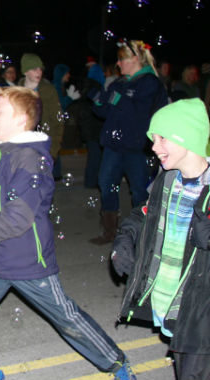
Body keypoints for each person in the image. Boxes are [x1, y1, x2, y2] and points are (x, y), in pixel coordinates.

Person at [0, 86, 137, 380]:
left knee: (66, 317)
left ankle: (116, 364)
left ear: (20, 119)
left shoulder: (31, 159)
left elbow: (18, 216)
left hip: (27, 259)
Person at [112, 98, 210, 380]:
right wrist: (125, 238)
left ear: (187, 137)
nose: (154, 147)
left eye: (162, 138)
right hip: (173, 305)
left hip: (201, 314)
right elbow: (144, 213)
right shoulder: (166, 179)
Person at [89, 40, 168, 245]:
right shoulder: (119, 83)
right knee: (107, 184)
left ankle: (141, 232)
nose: (118, 63)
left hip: (138, 146)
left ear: (134, 59)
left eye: (122, 59)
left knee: (140, 190)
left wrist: (119, 99)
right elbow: (103, 110)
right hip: (114, 145)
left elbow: (140, 113)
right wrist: (97, 99)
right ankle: (110, 231)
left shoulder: (150, 83)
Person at [18, 53, 63, 180]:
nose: (39, 72)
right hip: (21, 147)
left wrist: (53, 151)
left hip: (42, 146)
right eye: (34, 69)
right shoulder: (16, 91)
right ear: (25, 71)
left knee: (41, 189)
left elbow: (57, 122)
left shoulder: (48, 90)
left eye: (40, 69)